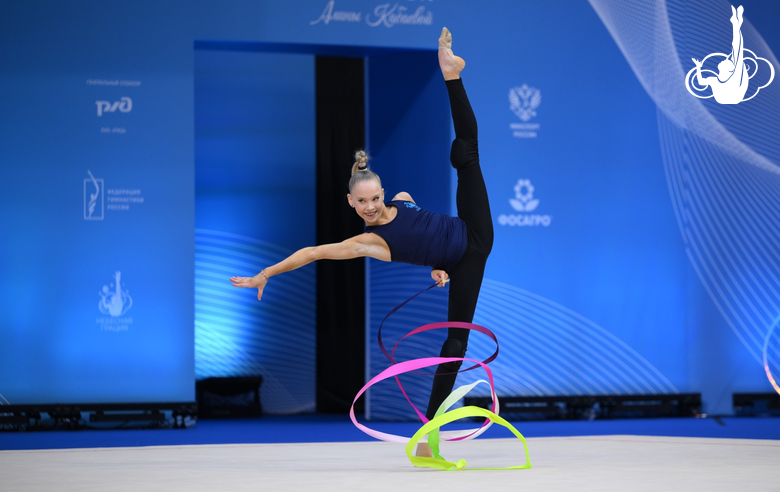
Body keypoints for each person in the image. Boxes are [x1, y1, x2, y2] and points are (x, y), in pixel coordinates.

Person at [230, 27, 493, 457]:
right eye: (362, 202)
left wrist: (435, 263)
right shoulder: (370, 242)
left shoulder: (403, 200)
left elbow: (428, 230)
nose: (371, 207)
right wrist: (266, 273)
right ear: (350, 203)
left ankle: (451, 74)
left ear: (382, 192)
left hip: (472, 232)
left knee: (465, 154)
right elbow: (313, 253)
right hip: (469, 263)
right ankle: (428, 437)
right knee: (455, 345)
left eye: (375, 198)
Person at [692, 5, 748, 104]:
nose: (725, 59)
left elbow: (737, 48)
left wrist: (736, 25)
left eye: (727, 61)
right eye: (728, 60)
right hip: (728, 96)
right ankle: (736, 23)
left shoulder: (734, 77)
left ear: (729, 69)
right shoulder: (714, 80)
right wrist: (698, 67)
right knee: (737, 51)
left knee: (737, 50)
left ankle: (735, 23)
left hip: (733, 95)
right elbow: (701, 82)